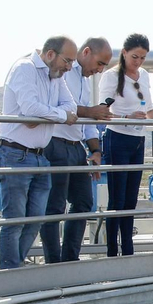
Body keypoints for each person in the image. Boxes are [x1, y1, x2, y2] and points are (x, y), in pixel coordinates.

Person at [0, 36, 80, 269]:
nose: (69, 67)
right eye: (67, 60)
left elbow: (70, 105)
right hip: (15, 154)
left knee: (35, 219)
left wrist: (44, 116)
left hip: (39, 155)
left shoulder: (56, 77)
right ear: (51, 54)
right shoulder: (25, 69)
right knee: (15, 220)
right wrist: (59, 116)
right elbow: (30, 109)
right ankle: (10, 272)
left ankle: (16, 267)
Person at [40, 36, 113, 263]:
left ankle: (70, 258)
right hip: (56, 142)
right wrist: (90, 112)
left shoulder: (83, 80)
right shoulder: (62, 74)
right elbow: (61, 108)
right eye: (100, 63)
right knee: (55, 206)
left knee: (83, 202)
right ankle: (54, 261)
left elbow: (87, 121)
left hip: (76, 147)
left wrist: (96, 150)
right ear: (87, 52)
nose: (99, 70)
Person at [101, 34, 153, 256]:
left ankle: (128, 248)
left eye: (142, 57)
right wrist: (128, 116)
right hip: (118, 138)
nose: (138, 62)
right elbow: (105, 111)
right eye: (135, 56)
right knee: (118, 198)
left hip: (138, 140)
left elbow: (150, 110)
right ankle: (112, 250)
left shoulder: (143, 75)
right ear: (124, 53)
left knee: (131, 197)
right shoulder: (111, 77)